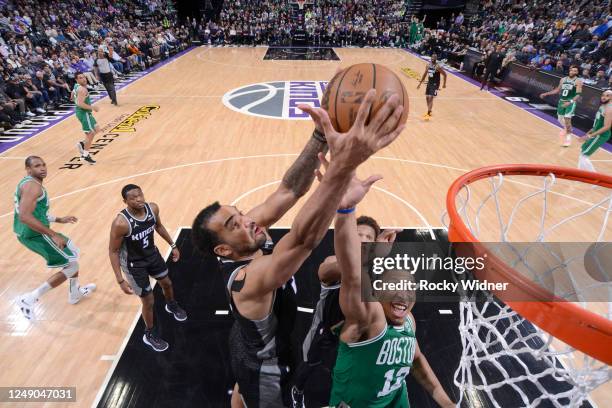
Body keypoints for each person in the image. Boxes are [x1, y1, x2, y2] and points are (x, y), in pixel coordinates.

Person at [191, 89, 405, 407]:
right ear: (223, 250)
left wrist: (319, 135)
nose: (247, 220)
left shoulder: (245, 238)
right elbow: (303, 239)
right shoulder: (248, 281)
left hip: (245, 341)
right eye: (234, 224)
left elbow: (288, 189)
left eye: (239, 212)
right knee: (253, 392)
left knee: (241, 390)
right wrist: (341, 169)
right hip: (266, 373)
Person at [328, 183, 455, 408]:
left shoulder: (408, 322)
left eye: (410, 288)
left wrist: (446, 402)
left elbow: (416, 360)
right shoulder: (370, 317)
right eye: (396, 285)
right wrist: (346, 210)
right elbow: (353, 273)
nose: (404, 294)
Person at [291, 212, 400, 408]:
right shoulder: (334, 260)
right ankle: (297, 391)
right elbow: (325, 273)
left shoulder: (376, 271)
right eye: (358, 235)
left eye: (369, 238)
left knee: (349, 372)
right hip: (325, 328)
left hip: (356, 334)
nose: (363, 240)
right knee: (309, 362)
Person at [14, 156, 96, 320]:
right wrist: (54, 234)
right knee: (72, 266)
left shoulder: (28, 183)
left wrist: (58, 219)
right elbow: (24, 216)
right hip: (35, 234)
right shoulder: (33, 187)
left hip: (28, 231)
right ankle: (29, 298)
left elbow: (36, 212)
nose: (43, 168)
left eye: (44, 164)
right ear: (28, 169)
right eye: (37, 166)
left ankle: (75, 293)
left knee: (72, 253)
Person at [108, 184, 187, 352]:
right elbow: (113, 251)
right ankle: (149, 334)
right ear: (125, 201)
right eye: (133, 198)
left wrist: (173, 245)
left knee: (167, 283)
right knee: (148, 300)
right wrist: (120, 279)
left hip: (152, 255)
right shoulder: (121, 223)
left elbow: (158, 226)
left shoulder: (152, 209)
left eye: (140, 195)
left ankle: (171, 305)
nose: (139, 199)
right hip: (134, 265)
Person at [539, 65, 583, 147]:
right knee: (560, 119)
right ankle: (567, 128)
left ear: (577, 72)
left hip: (570, 102)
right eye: (571, 70)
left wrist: (570, 102)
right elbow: (557, 90)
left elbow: (578, 95)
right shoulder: (563, 79)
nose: (572, 72)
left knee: (567, 119)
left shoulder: (578, 81)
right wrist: (546, 94)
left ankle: (568, 140)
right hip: (561, 102)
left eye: (574, 71)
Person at [578, 89, 612, 172]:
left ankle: (595, 178)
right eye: (603, 95)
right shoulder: (602, 106)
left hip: (601, 135)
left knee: (584, 155)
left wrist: (590, 135)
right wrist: (589, 132)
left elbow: (607, 127)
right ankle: (580, 173)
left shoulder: (609, 109)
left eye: (607, 96)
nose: (604, 97)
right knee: (583, 151)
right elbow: (597, 123)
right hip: (595, 132)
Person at [72, 72, 99, 164]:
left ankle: (82, 144)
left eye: (84, 77)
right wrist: (93, 107)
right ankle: (85, 155)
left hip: (83, 112)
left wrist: (74, 98)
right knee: (90, 134)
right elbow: (80, 104)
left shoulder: (76, 86)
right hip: (84, 113)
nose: (83, 79)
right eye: (80, 78)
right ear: (77, 80)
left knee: (96, 128)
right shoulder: (82, 90)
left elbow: (72, 95)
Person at [417, 53, 447, 121]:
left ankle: (428, 113)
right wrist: (420, 83)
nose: (433, 58)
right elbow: (424, 74)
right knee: (427, 97)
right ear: (431, 57)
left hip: (435, 84)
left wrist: (444, 84)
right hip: (429, 82)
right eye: (432, 57)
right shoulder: (428, 65)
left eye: (435, 57)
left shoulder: (437, 67)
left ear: (436, 59)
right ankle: (429, 110)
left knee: (431, 97)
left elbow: (445, 75)